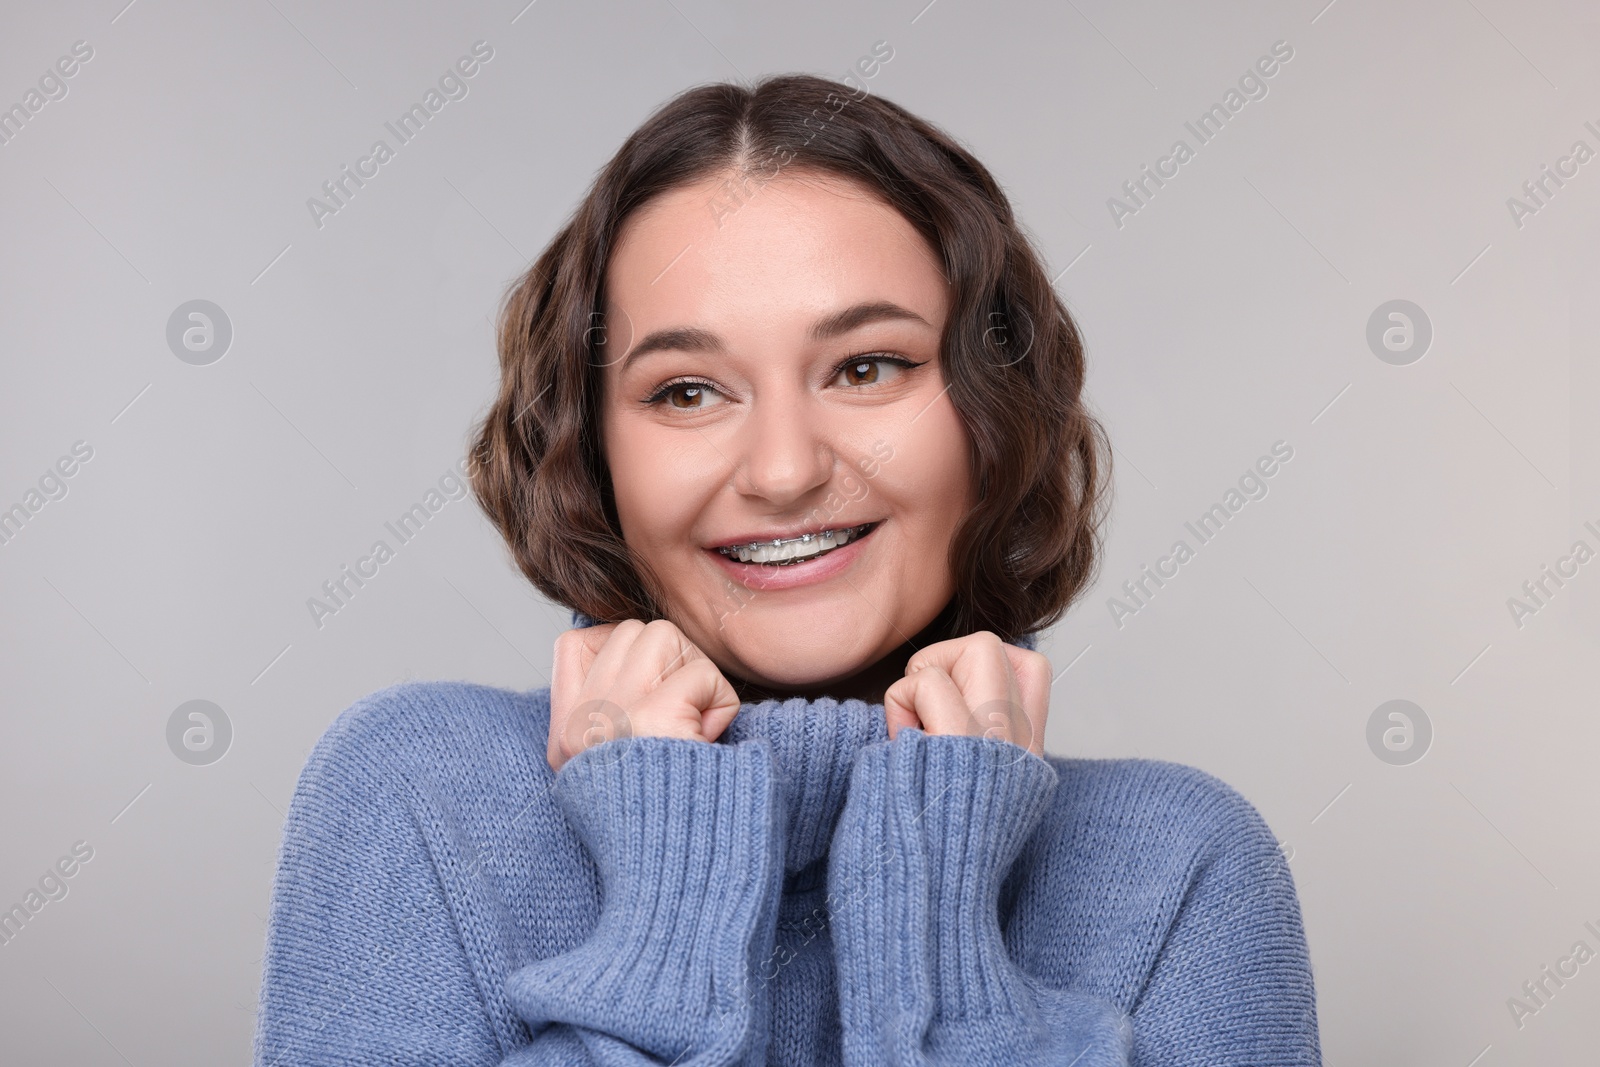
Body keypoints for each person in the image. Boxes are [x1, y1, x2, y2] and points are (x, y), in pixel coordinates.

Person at [253, 73, 1321, 1066]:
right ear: (593, 448)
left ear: (992, 414)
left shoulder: (1183, 868)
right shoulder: (418, 793)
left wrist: (942, 932)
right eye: (685, 390)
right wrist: (664, 904)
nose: (781, 470)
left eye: (866, 367)